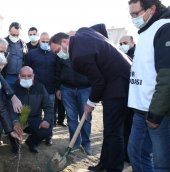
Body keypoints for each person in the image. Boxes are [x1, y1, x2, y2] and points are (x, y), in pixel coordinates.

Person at [49, 23, 131, 171]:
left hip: (119, 84)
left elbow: (98, 83)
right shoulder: (82, 31)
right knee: (109, 129)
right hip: (117, 78)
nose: (57, 55)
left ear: (65, 42)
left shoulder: (79, 56)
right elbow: (100, 26)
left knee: (114, 132)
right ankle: (103, 164)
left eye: (57, 51)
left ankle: (114, 169)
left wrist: (90, 103)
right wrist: (106, 52)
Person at [127, 0, 170, 171]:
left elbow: (167, 76)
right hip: (141, 109)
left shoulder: (164, 28)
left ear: (152, 9)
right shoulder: (146, 30)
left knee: (162, 163)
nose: (133, 18)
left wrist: (156, 113)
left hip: (158, 113)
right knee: (135, 152)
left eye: (136, 14)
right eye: (130, 15)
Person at [8, 66, 54, 154]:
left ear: (33, 76)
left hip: (34, 119)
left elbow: (48, 105)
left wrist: (47, 120)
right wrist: (15, 122)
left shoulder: (40, 87)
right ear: (19, 76)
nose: (26, 78)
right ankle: (15, 144)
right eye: (23, 76)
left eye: (29, 76)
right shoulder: (13, 89)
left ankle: (31, 142)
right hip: (18, 120)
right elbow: (9, 108)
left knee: (47, 130)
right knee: (10, 127)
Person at [55, 56, 92, 155]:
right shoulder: (62, 55)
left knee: (86, 117)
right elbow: (58, 72)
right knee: (71, 118)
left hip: (85, 89)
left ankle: (86, 143)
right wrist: (58, 88)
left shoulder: (87, 52)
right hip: (67, 89)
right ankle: (74, 143)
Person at [25, 32, 57, 146]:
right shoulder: (31, 54)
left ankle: (49, 136)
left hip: (50, 88)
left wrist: (57, 88)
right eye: (43, 41)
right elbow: (27, 69)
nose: (45, 43)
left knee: (50, 112)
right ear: (39, 41)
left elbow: (57, 72)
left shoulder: (54, 54)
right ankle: (37, 135)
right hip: (36, 90)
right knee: (36, 113)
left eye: (47, 41)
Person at [119, 34, 136, 163]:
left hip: (135, 98)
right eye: (121, 43)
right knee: (124, 127)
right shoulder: (121, 55)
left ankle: (130, 155)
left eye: (125, 42)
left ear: (132, 42)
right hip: (124, 96)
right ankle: (125, 153)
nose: (122, 45)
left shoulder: (138, 54)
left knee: (132, 127)